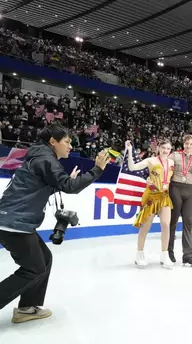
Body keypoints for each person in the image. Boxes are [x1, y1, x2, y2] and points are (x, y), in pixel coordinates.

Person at [0, 124, 109, 324]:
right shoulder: (46, 159)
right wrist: (97, 169)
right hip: (14, 223)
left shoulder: (40, 157)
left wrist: (66, 181)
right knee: (34, 268)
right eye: (66, 142)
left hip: (15, 221)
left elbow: (38, 187)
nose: (70, 146)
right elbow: (70, 187)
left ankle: (26, 308)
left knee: (44, 259)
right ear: (53, 142)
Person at [124, 139, 175, 269]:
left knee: (166, 224)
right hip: (151, 196)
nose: (165, 151)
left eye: (168, 149)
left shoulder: (172, 162)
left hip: (164, 196)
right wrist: (130, 151)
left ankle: (164, 255)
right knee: (146, 226)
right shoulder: (150, 160)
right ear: (158, 148)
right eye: (163, 148)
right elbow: (132, 167)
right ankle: (139, 254)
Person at [167, 135, 192, 267]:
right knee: (173, 222)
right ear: (184, 144)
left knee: (188, 222)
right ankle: (169, 252)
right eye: (187, 143)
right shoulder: (175, 155)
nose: (188, 146)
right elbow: (164, 166)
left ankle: (188, 255)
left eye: (191, 144)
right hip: (175, 188)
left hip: (189, 191)